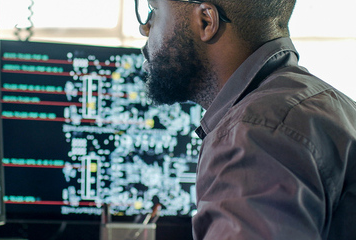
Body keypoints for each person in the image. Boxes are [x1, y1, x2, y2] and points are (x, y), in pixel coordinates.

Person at [134, 0, 356, 239]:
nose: (144, 29)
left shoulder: (255, 134)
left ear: (206, 21)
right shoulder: (326, 102)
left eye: (154, 10)